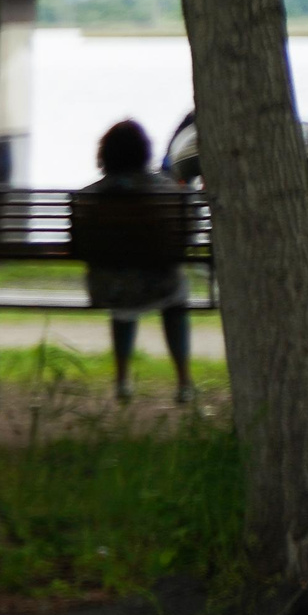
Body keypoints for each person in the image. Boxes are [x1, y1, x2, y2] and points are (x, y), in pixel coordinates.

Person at [74, 118, 196, 404]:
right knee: (176, 299)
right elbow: (188, 237)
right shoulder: (170, 192)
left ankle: (122, 381)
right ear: (144, 152)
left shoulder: (88, 197)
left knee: (122, 292)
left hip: (108, 289)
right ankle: (184, 381)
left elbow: (81, 245)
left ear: (105, 154)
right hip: (161, 287)